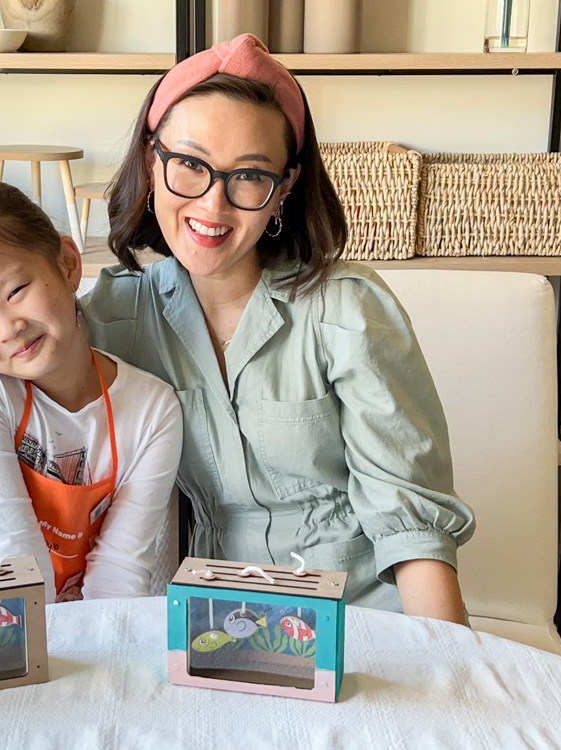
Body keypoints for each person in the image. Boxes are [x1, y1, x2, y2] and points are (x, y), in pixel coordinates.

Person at [81, 34, 475, 623]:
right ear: (149, 159)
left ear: (284, 188)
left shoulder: (348, 312)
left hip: (360, 618)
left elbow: (411, 529)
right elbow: (7, 411)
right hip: (211, 622)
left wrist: (448, 676)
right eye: (189, 164)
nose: (213, 207)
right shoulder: (114, 318)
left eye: (249, 176)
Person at [0, 180, 183, 604]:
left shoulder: (153, 411)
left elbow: (118, 576)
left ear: (67, 264)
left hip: (56, 624)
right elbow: (14, 568)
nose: (7, 328)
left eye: (15, 292)